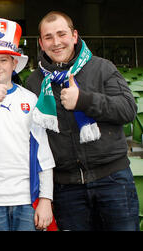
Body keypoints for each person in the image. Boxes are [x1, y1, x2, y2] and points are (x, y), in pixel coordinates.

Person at [26, 11, 139, 231]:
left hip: (112, 180)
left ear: (75, 35)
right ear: (41, 43)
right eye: (48, 37)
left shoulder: (102, 67)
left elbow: (127, 110)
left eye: (62, 34)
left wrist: (84, 100)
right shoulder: (34, 82)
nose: (56, 42)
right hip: (67, 189)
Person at [0, 17, 56, 231]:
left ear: (14, 64)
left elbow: (43, 152)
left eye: (3, 60)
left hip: (26, 197)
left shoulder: (30, 99)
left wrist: (46, 198)